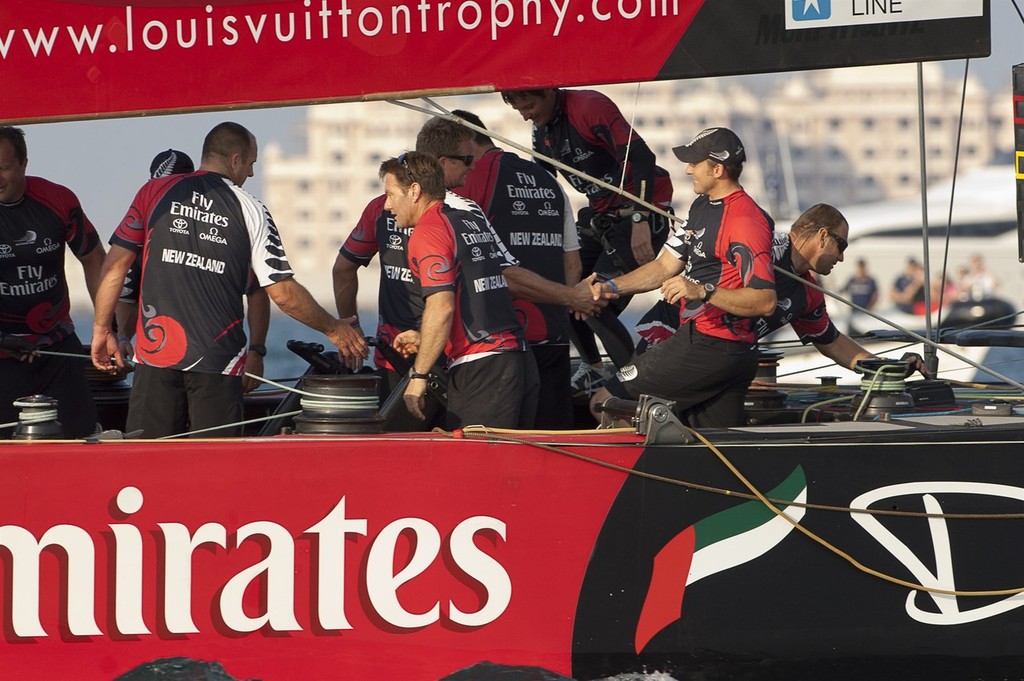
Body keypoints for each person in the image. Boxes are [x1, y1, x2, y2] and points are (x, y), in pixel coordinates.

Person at [92, 121, 367, 438]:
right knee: (216, 474)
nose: (250, 174)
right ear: (235, 160)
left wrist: (102, 330)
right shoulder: (252, 209)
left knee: (147, 466)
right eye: (251, 164)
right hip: (218, 364)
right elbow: (282, 292)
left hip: (156, 358)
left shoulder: (153, 191)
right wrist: (334, 329)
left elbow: (115, 267)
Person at [587, 127, 776, 428]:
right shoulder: (702, 206)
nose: (688, 170)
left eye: (695, 163)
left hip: (711, 345)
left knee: (606, 404)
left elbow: (765, 300)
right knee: (706, 446)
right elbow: (664, 267)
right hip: (715, 348)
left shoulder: (746, 220)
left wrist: (703, 291)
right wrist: (609, 287)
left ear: (717, 169)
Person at [501, 87, 674, 398]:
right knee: (563, 293)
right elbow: (544, 182)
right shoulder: (542, 130)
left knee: (594, 302)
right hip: (599, 217)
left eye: (529, 106)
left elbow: (643, 156)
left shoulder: (589, 106)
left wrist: (640, 220)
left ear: (549, 93)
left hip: (639, 212)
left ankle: (636, 390)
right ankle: (594, 369)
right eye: (520, 110)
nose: (526, 115)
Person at [637, 204, 931, 380]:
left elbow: (833, 343)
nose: (841, 257)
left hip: (716, 363)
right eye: (841, 246)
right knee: (610, 404)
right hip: (670, 335)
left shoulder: (809, 290)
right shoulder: (762, 248)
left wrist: (887, 369)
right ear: (822, 236)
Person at [451, 109, 590, 429]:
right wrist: (564, 303)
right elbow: (573, 262)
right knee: (555, 442)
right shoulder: (548, 180)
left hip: (503, 342)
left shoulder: (472, 179)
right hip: (554, 333)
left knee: (498, 446)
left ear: (465, 142)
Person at [381, 151, 539, 430]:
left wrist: (418, 377)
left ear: (414, 191)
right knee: (508, 468)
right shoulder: (468, 220)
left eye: (391, 194)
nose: (387, 205)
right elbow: (478, 298)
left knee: (475, 469)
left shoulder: (428, 231)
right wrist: (426, 337)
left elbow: (441, 308)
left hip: (482, 367)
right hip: (518, 359)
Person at [114, 148, 271, 393]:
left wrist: (256, 352)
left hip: (214, 362)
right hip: (158, 360)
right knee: (153, 432)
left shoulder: (222, 231)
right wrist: (121, 338)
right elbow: (126, 292)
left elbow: (257, 290)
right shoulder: (148, 236)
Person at [0, 125, 105, 439]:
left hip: (57, 346)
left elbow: (95, 258)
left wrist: (104, 326)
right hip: (4, 354)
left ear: (24, 164)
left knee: (81, 439)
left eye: (3, 168)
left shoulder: (57, 200)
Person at [841, 258, 879, 335]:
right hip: (854, 311)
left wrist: (871, 307)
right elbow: (844, 290)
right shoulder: (852, 280)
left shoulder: (870, 281)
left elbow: (875, 294)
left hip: (866, 311)